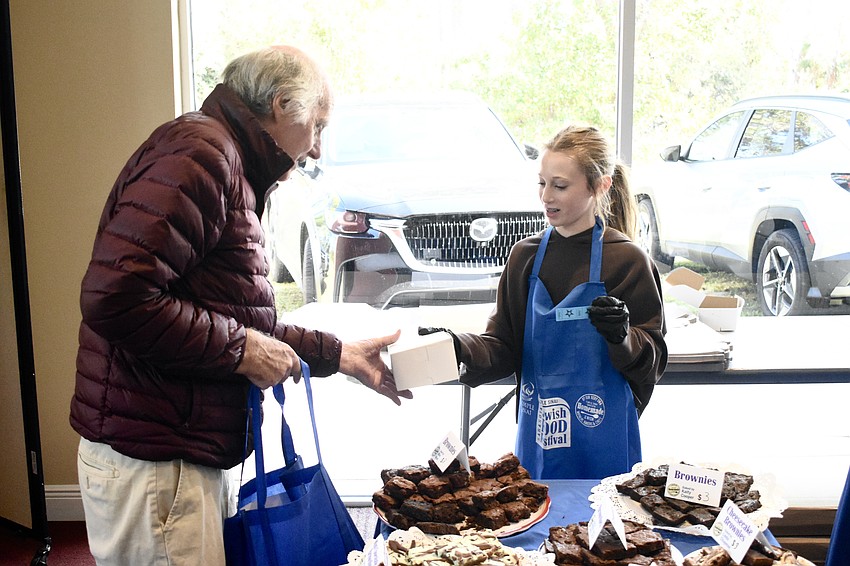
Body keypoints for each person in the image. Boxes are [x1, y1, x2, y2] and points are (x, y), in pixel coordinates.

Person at [69, 46, 412, 566]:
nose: (317, 149)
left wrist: (339, 354)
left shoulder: (223, 159)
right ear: (279, 105)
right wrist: (240, 350)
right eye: (317, 126)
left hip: (171, 453)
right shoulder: (203, 155)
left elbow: (238, 321)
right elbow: (115, 297)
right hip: (159, 464)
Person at [422, 125, 667, 480]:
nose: (546, 196)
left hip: (605, 436)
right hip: (539, 435)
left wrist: (622, 336)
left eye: (560, 185)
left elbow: (653, 363)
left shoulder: (627, 260)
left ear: (601, 185)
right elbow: (503, 347)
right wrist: (457, 345)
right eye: (542, 183)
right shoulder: (524, 257)